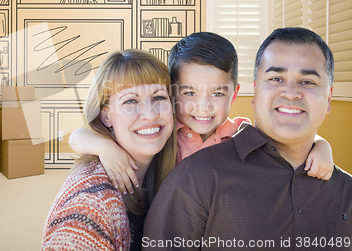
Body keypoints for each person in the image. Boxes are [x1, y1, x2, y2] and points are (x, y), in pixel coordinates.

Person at [142, 27, 352, 250]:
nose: (291, 93)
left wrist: (321, 143)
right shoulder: (170, 146)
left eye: (308, 81)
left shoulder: (239, 133)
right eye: (276, 78)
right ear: (255, 92)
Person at [69, 32, 334, 196]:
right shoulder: (162, 132)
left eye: (217, 94)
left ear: (234, 93)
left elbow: (285, 140)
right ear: (171, 93)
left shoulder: (242, 132)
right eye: (189, 93)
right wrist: (106, 148)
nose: (203, 106)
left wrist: (322, 145)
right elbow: (77, 136)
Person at [42, 50, 177, 251]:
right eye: (130, 101)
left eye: (158, 97)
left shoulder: (173, 163)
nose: (149, 114)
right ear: (106, 115)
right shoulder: (89, 206)